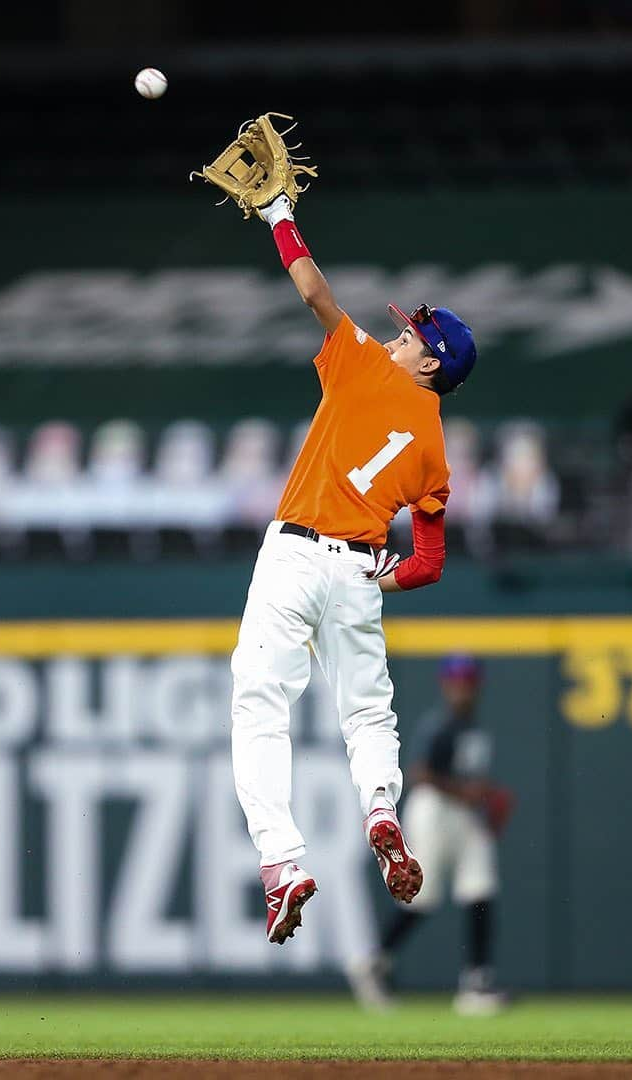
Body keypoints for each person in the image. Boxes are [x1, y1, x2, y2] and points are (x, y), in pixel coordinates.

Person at [224, 191, 478, 945]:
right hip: (358, 573)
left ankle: (281, 862)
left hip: (296, 552)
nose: (399, 337)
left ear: (431, 362)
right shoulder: (436, 455)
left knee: (259, 706)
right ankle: (382, 812)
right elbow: (429, 563)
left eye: (413, 337)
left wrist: (277, 215)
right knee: (368, 715)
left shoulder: (364, 366)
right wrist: (381, 581)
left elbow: (310, 289)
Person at [348, 654, 510, 1014]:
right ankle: (373, 963)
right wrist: (464, 792)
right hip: (434, 809)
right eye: (456, 680)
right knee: (422, 895)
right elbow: (420, 773)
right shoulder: (440, 725)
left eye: (467, 680)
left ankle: (477, 984)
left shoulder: (474, 728)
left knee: (480, 889)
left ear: (476, 685)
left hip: (465, 814)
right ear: (445, 684)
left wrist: (481, 794)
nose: (461, 688)